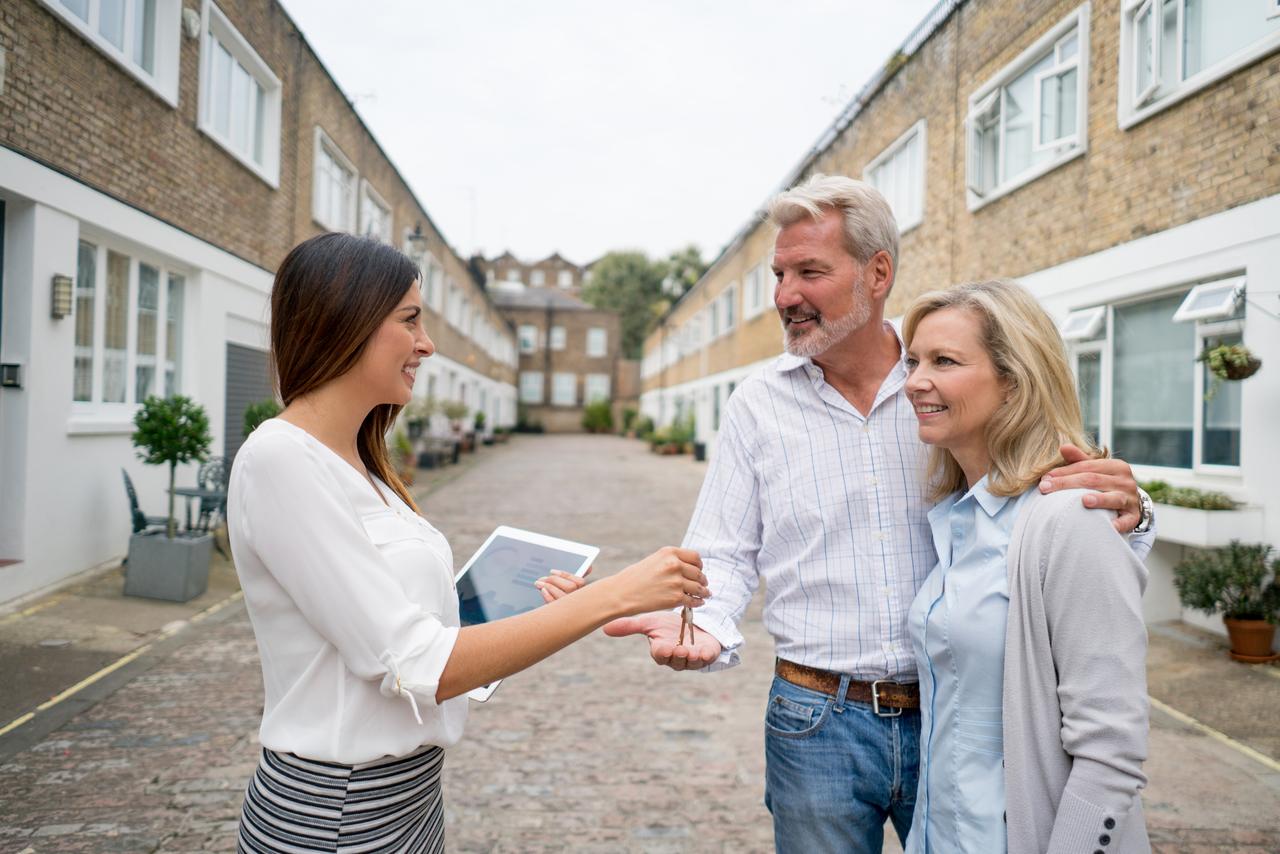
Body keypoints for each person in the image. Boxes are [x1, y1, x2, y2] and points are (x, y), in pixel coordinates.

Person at [605, 174, 1152, 853]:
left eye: (810, 271)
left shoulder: (946, 389)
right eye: (779, 274)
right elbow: (723, 550)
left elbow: (1042, 484)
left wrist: (1134, 509)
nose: (785, 296)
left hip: (964, 712)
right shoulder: (757, 404)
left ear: (877, 272)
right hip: (816, 719)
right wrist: (706, 625)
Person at [227, 233, 709, 853]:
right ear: (344, 321)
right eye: (409, 321)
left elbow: (408, 627)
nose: (426, 344)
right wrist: (613, 597)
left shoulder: (362, 464)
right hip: (340, 809)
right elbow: (414, 662)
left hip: (410, 799)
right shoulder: (281, 458)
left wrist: (544, 609)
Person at [902, 280, 1149, 853]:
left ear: (1014, 382)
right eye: (913, 360)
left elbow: (1111, 752)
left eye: (944, 360)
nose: (915, 381)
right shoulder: (957, 519)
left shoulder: (1067, 520)